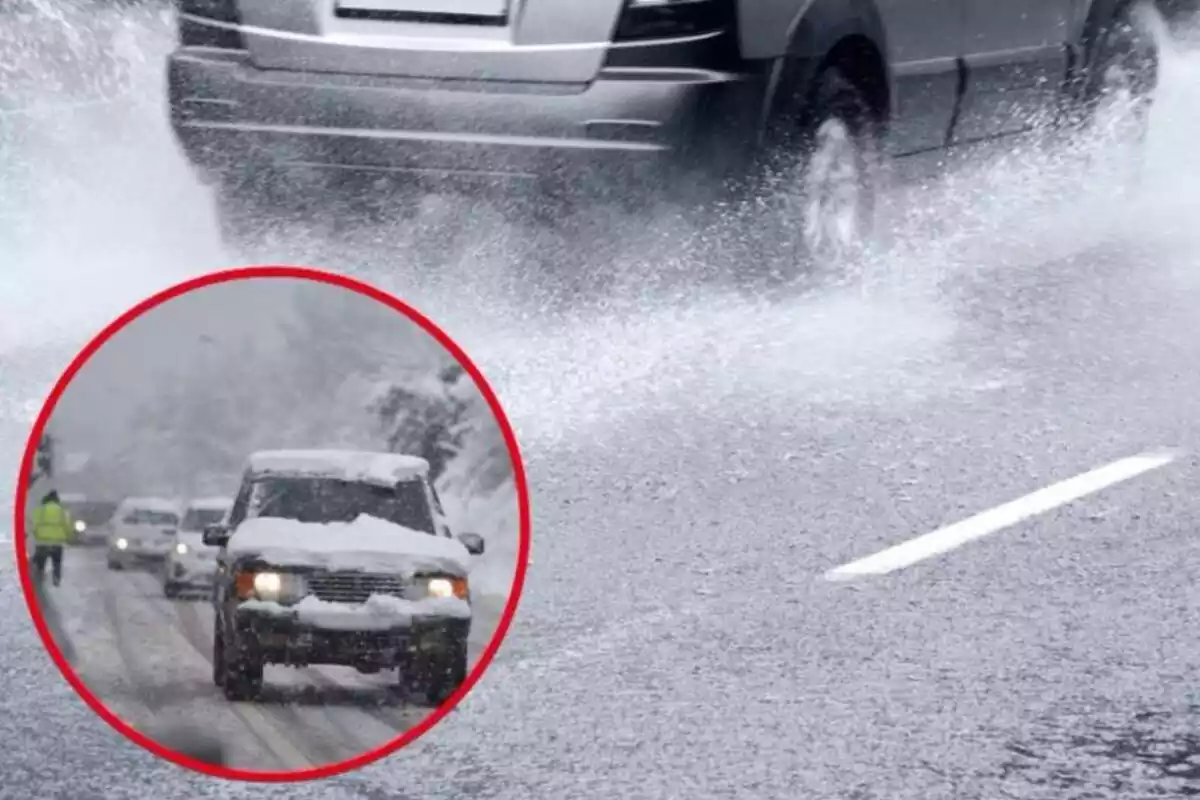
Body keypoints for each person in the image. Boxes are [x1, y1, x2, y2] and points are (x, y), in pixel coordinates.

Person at [31, 490, 73, 587]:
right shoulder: (61, 511)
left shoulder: (40, 510)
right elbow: (67, 526)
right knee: (57, 563)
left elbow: (33, 525)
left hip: (42, 542)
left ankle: (40, 577)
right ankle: (56, 579)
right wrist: (69, 537)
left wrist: (36, 535)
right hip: (57, 543)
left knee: (41, 563)